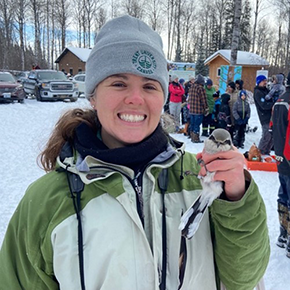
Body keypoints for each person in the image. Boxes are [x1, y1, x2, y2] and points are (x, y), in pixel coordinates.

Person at [0, 15, 269, 290]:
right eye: (119, 83)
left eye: (149, 86)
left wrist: (236, 199)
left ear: (162, 97)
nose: (136, 98)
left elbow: (243, 279)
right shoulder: (46, 202)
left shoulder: (200, 179)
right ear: (93, 95)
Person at [271, 71, 290, 258]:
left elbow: (272, 127)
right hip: (288, 155)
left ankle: (283, 234)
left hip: (280, 156)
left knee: (283, 194)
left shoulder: (279, 101)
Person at [253, 74, 273, 155]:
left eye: (266, 81)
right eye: (263, 81)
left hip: (271, 116)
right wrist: (273, 104)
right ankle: (259, 152)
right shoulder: (258, 92)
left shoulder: (266, 90)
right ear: (259, 82)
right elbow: (263, 105)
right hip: (264, 116)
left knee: (272, 136)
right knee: (266, 135)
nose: (265, 82)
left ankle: (267, 152)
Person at [188, 74, 208, 143]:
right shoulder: (201, 88)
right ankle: (195, 138)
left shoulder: (192, 87)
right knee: (197, 124)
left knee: (192, 123)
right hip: (198, 110)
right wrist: (206, 107)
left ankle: (191, 136)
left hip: (191, 110)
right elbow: (203, 99)